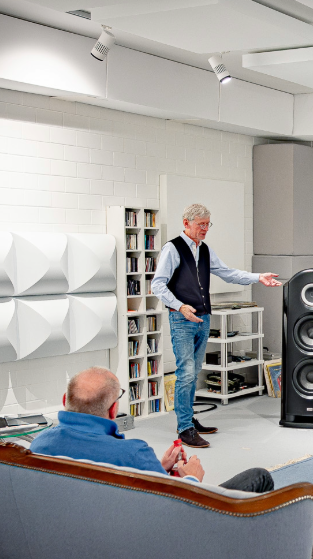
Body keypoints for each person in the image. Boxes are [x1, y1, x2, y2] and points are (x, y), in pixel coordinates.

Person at [151, 203, 281, 448]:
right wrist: (180, 306)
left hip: (203, 318)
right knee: (186, 373)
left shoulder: (205, 250)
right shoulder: (173, 249)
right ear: (186, 223)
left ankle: (188, 419)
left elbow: (227, 273)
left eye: (207, 224)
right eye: (201, 224)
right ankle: (184, 428)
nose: (205, 229)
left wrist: (257, 277)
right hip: (182, 319)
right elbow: (158, 284)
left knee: (194, 371)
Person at [30, 368, 273, 493]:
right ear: (113, 410)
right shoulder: (133, 453)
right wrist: (191, 479)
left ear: (65, 400)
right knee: (259, 477)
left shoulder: (39, 445)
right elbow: (173, 508)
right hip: (159, 538)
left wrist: (158, 468)